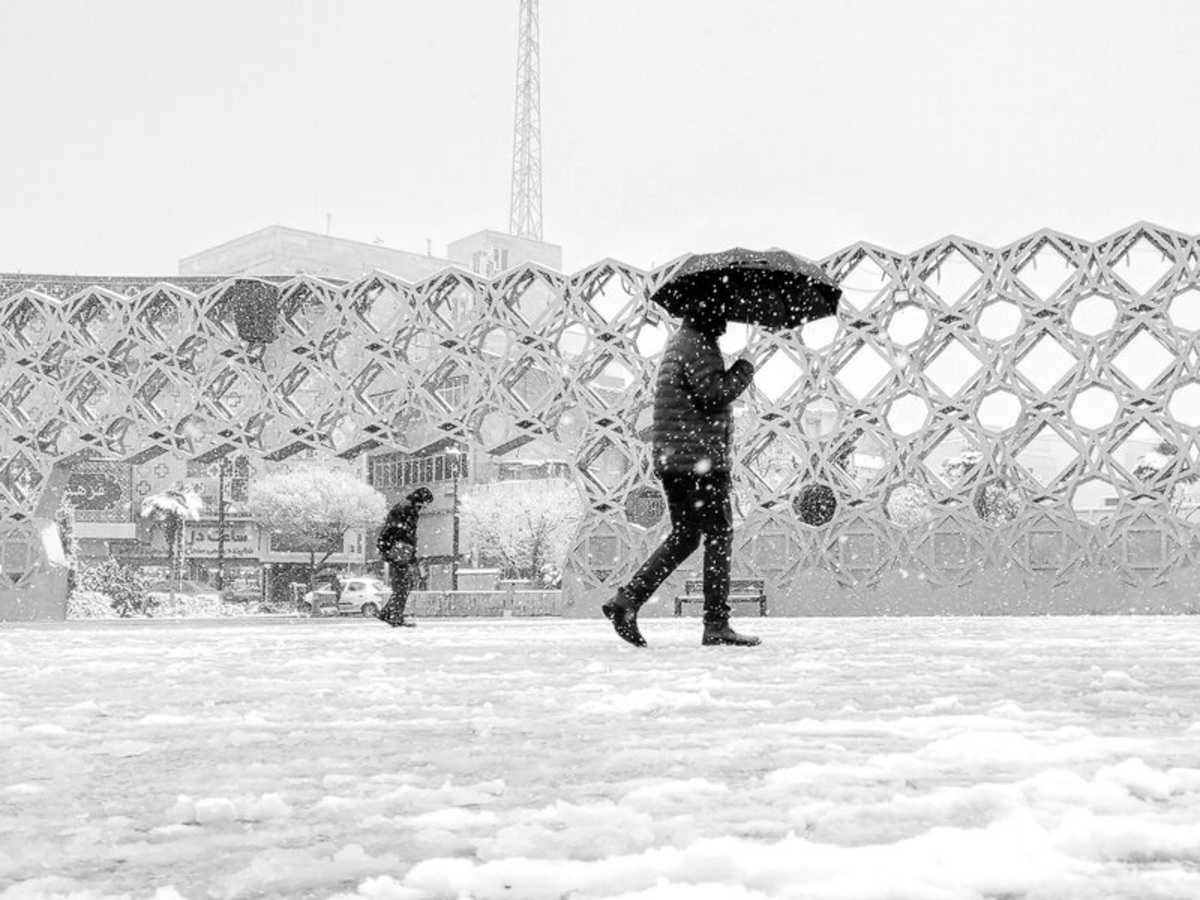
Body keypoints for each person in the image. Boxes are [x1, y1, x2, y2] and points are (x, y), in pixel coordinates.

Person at [602, 314, 762, 647]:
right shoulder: (698, 344)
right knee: (719, 534)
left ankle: (627, 602)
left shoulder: (683, 341)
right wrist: (746, 365)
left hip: (676, 459)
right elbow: (713, 393)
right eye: (723, 313)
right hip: (698, 460)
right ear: (710, 309)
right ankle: (716, 624)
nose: (727, 322)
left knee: (687, 536)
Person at [376, 487, 433, 627]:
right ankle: (394, 616)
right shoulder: (409, 510)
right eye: (426, 503)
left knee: (405, 583)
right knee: (403, 584)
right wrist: (410, 552)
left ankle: (388, 612)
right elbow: (406, 533)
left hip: (395, 548)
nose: (425, 507)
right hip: (399, 550)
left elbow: (395, 529)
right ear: (421, 499)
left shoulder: (404, 507)